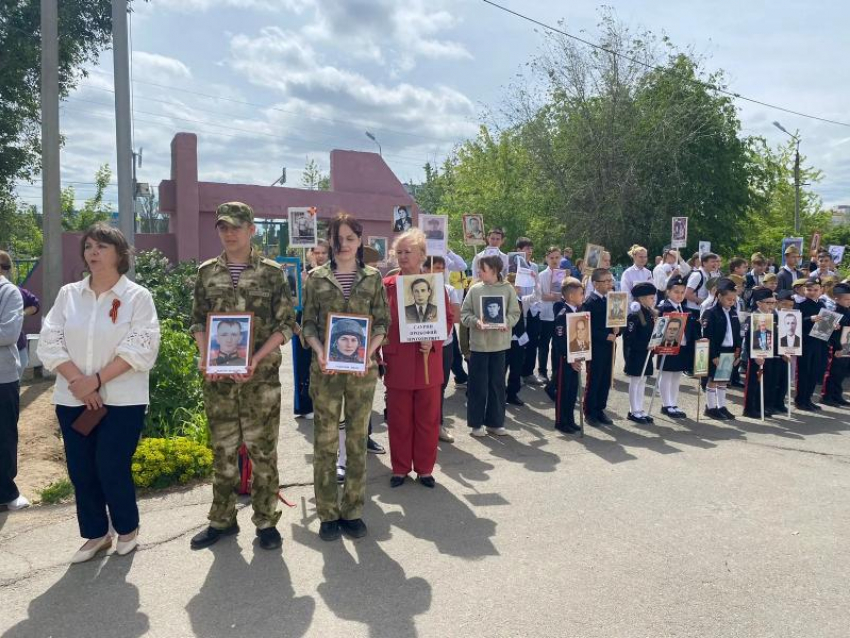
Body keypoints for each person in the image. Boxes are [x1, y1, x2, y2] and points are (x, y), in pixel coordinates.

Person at [37, 224, 161, 562]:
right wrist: (79, 381)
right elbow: (50, 340)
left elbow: (142, 347)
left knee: (110, 464)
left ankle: (127, 528)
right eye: (89, 246)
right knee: (81, 470)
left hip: (122, 400)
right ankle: (96, 533)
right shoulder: (69, 295)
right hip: (72, 397)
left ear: (120, 254)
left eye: (102, 246)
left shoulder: (136, 297)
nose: (93, 252)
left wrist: (97, 380)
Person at [189, 202, 296, 551]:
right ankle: (222, 519)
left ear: (252, 229)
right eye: (223, 227)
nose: (229, 233)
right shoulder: (207, 273)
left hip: (260, 379)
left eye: (236, 227)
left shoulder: (272, 272)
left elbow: (286, 324)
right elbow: (198, 321)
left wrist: (255, 358)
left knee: (263, 453)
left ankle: (266, 521)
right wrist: (206, 356)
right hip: (219, 382)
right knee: (222, 452)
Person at [301, 213, 389, 540]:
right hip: (325, 372)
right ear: (331, 241)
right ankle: (327, 512)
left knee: (355, 442)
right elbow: (307, 323)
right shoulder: (316, 278)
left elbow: (382, 323)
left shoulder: (373, 278)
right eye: (339, 239)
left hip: (362, 374)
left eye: (350, 238)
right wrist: (320, 350)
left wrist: (369, 353)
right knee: (324, 443)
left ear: (359, 241)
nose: (344, 245)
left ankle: (352, 509)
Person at [383, 229, 451, 489]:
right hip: (397, 360)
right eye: (398, 252)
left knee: (427, 418)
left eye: (407, 252)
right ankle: (400, 468)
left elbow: (446, 319)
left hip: (427, 361)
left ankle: (424, 468)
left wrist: (432, 340)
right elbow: (380, 322)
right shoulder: (387, 286)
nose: (402, 257)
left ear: (422, 255)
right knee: (399, 418)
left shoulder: (434, 286)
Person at [462, 255, 520, 437]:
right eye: (480, 269)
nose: (479, 272)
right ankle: (476, 424)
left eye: (483, 269)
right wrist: (475, 321)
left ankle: (495, 422)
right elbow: (464, 314)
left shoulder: (508, 289)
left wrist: (506, 322)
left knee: (497, 385)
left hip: (500, 345)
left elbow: (514, 313)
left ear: (494, 271)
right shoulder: (474, 289)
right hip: (479, 345)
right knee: (477, 386)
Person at [424, 255, 461, 443]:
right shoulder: (418, 288)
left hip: (444, 344)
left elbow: (455, 317)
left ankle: (437, 424)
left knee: (440, 386)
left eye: (440, 268)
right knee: (424, 386)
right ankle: (424, 424)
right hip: (421, 344)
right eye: (433, 267)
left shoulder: (449, 290)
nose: (437, 271)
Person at [0, 252, 25, 513]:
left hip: (2, 377)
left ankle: (6, 493)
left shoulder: (9, 293)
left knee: (4, 436)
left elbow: (8, 333)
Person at [294, 240, 331, 420]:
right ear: (310, 254)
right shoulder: (301, 272)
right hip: (304, 323)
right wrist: (301, 284)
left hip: (324, 327)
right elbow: (293, 300)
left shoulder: (334, 272)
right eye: (316, 252)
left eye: (323, 252)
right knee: (303, 365)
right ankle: (305, 405)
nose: (320, 256)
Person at [701, 278, 742, 420]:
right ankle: (710, 407)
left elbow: (737, 334)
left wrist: (738, 353)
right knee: (713, 379)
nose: (731, 301)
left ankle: (721, 406)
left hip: (730, 350)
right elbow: (708, 336)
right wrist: (713, 355)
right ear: (719, 296)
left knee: (723, 379)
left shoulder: (733, 312)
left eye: (734, 299)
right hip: (717, 351)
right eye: (729, 299)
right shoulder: (711, 313)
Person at [582, 268, 619, 425]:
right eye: (607, 281)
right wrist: (605, 336)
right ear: (596, 284)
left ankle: (600, 408)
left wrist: (618, 330)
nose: (610, 284)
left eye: (611, 280)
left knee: (606, 378)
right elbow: (586, 328)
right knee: (594, 378)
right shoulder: (590, 302)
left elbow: (618, 320)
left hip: (609, 346)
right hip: (596, 347)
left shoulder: (612, 300)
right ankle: (590, 411)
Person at [549, 277, 584, 433]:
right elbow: (559, 340)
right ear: (571, 296)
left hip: (575, 357)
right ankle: (561, 421)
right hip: (564, 360)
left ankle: (570, 419)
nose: (583, 296)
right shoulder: (563, 314)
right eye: (581, 293)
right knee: (563, 391)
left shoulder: (577, 312)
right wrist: (570, 359)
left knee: (572, 391)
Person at [795, 277, 833, 411]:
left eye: (815, 290)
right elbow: (796, 322)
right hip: (806, 343)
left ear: (821, 290)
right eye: (809, 289)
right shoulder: (801, 305)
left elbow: (826, 323)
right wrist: (809, 319)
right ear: (804, 290)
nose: (812, 292)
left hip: (819, 343)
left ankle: (808, 399)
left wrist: (833, 325)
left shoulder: (822, 304)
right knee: (804, 372)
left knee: (814, 372)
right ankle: (800, 400)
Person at [623, 282, 658, 424]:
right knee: (635, 381)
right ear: (642, 298)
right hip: (637, 353)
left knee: (643, 381)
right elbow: (629, 338)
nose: (653, 300)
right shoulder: (635, 314)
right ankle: (633, 411)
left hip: (646, 353)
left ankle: (640, 409)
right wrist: (645, 346)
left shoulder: (649, 313)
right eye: (650, 297)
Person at [742, 289, 779, 418]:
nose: (771, 306)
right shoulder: (752, 317)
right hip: (756, 356)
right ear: (758, 303)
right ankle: (749, 408)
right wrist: (755, 355)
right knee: (754, 381)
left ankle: (761, 406)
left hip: (768, 353)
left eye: (773, 303)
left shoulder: (772, 316)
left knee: (766, 381)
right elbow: (748, 340)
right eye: (768, 302)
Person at [657, 275, 691, 418]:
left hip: (680, 346)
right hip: (667, 345)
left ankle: (673, 403)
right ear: (668, 292)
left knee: (676, 375)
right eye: (676, 292)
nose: (679, 295)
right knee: (666, 374)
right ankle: (666, 404)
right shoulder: (664, 307)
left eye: (682, 292)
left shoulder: (682, 307)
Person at [535, 247, 563, 384]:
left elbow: (565, 295)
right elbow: (542, 296)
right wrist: (555, 297)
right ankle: (542, 371)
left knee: (557, 345)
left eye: (557, 257)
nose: (554, 260)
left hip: (559, 315)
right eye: (551, 258)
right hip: (545, 314)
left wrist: (556, 297)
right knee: (544, 344)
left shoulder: (563, 275)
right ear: (547, 259)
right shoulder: (541, 275)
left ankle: (556, 373)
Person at [822, 283, 850, 406]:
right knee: (832, 372)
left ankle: (837, 395)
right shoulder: (832, 311)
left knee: (841, 373)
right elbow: (824, 333)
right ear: (837, 299)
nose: (849, 301)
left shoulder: (848, 311)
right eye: (846, 299)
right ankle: (827, 396)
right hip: (835, 348)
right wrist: (837, 348)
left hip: (846, 346)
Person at [505, 273, 529, 407]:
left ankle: (512, 394)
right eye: (514, 284)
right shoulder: (505, 300)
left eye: (518, 284)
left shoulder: (519, 300)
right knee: (502, 368)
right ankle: (501, 393)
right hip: (506, 340)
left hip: (519, 340)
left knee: (516, 368)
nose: (517, 287)